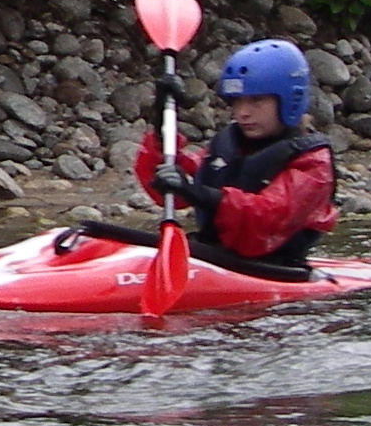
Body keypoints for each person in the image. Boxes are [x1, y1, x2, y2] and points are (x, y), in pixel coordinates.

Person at [130, 37, 336, 278]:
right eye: (237, 101)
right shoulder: (230, 144)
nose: (242, 112)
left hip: (273, 269)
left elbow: (267, 217)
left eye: (256, 100)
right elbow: (173, 186)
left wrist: (196, 192)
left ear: (289, 100)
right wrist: (160, 122)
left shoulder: (314, 162)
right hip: (216, 258)